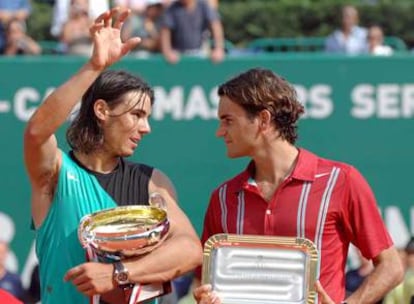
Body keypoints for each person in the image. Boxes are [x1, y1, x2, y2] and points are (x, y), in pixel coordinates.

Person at [23, 6, 202, 304]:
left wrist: (119, 273)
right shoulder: (56, 175)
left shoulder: (152, 181)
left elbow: (189, 249)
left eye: (147, 117)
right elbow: (37, 132)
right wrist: (95, 66)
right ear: (102, 110)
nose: (146, 128)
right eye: (136, 115)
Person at [192, 67, 404, 304]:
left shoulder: (341, 181)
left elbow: (391, 266)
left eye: (228, 121)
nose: (220, 132)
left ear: (263, 119)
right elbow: (205, 282)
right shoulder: (222, 197)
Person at [160, 0, 225, 64]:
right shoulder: (172, 8)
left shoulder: (203, 5)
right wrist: (168, 52)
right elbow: (165, 31)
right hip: (178, 55)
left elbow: (216, 26)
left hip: (201, 53)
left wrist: (218, 48)